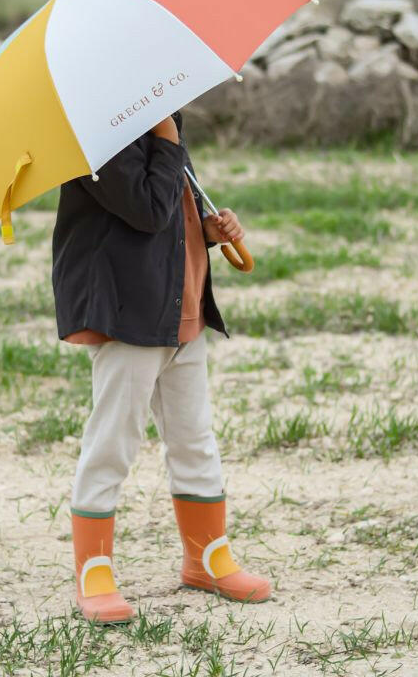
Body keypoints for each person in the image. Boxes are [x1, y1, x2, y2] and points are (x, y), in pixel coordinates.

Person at [51, 109, 271, 624]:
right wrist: (167, 137)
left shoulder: (160, 119)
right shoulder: (96, 137)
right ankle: (95, 569)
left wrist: (210, 231)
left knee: (195, 437)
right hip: (131, 315)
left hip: (182, 309)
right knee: (113, 440)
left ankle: (206, 557)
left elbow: (172, 210)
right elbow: (147, 211)